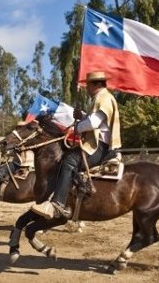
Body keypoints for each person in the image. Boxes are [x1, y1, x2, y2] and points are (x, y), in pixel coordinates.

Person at [31, 71, 122, 219]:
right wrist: (82, 117)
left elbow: (94, 123)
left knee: (69, 161)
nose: (86, 88)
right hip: (97, 144)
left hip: (100, 147)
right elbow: (93, 119)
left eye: (88, 85)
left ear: (96, 84)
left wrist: (75, 128)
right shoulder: (101, 98)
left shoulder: (104, 98)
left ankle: (59, 203)